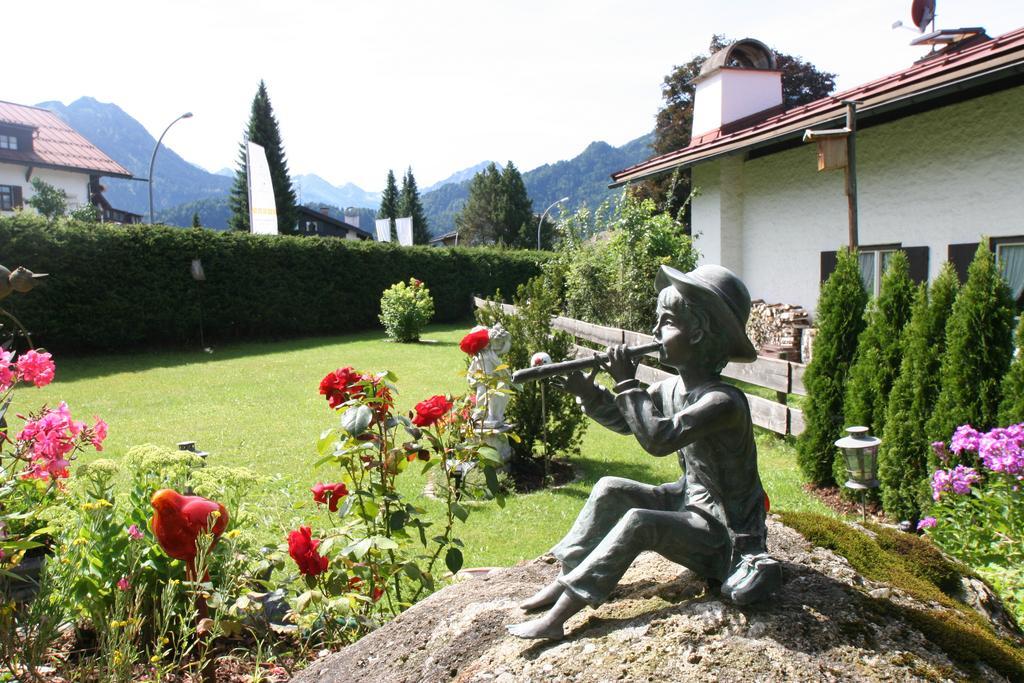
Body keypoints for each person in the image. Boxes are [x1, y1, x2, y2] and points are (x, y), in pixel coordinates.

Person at [508, 264, 781, 640]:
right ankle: (566, 576)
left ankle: (558, 618)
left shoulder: (723, 402)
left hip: (724, 535)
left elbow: (659, 439)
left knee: (641, 521)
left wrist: (625, 381)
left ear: (700, 332)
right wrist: (587, 391)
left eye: (666, 322)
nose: (654, 333)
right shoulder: (671, 390)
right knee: (610, 488)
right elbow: (627, 420)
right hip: (689, 503)